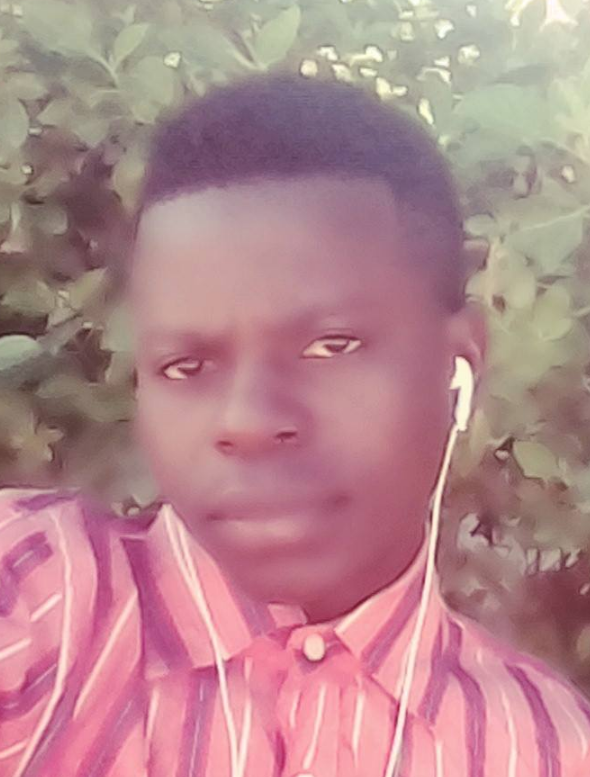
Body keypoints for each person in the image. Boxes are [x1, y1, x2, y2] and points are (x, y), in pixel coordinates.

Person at [0, 73, 588, 777]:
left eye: (331, 346)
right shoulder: (42, 601)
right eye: (186, 365)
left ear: (459, 363)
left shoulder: (544, 749)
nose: (246, 420)